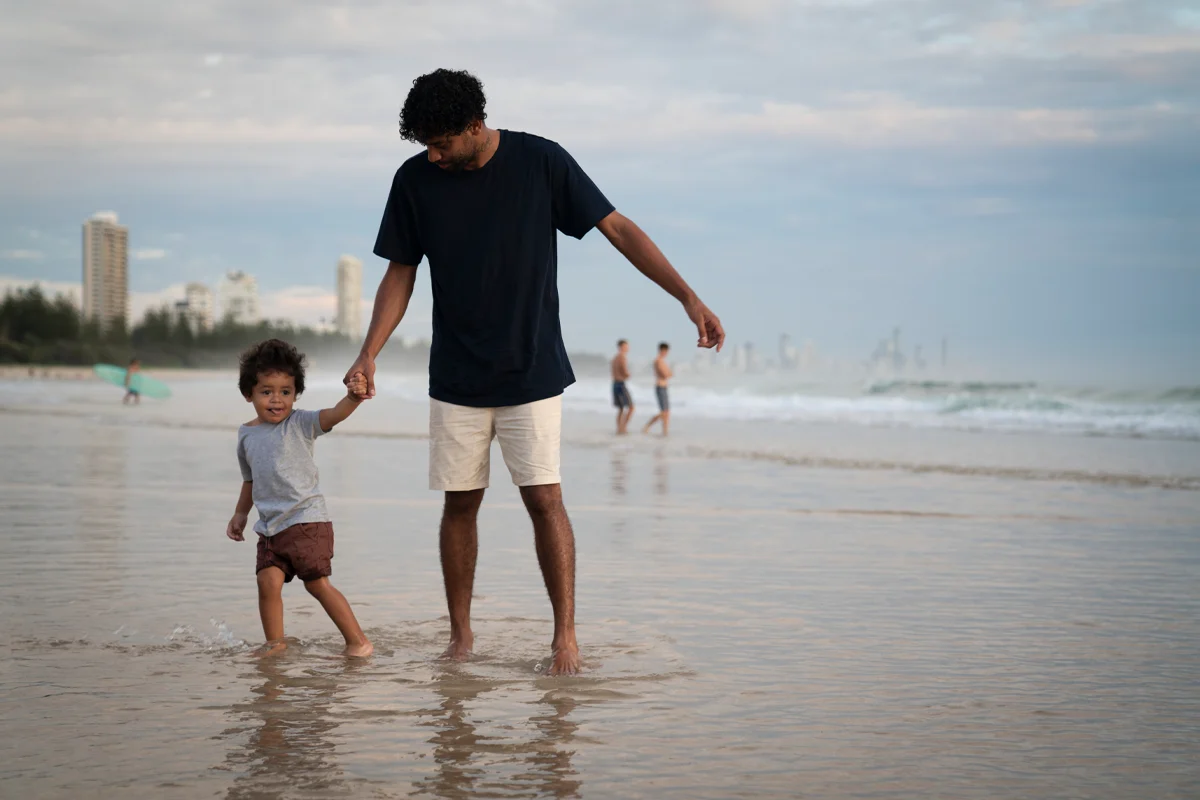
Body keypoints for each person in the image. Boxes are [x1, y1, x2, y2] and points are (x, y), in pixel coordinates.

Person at [345, 68, 724, 675]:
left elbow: (618, 229)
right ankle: (461, 638)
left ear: (475, 126)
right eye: (425, 145)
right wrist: (369, 353)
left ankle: (565, 639)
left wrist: (688, 297)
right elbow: (401, 272)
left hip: (532, 369)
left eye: (441, 143)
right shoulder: (415, 179)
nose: (433, 156)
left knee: (545, 499)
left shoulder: (541, 162)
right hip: (456, 375)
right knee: (459, 504)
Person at [227, 339, 373, 658]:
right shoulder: (246, 434)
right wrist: (240, 514)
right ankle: (275, 644)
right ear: (248, 394)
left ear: (295, 394)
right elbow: (251, 479)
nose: (277, 400)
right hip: (269, 528)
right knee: (267, 583)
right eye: (267, 391)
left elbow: (335, 415)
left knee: (317, 584)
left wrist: (352, 397)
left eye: (285, 392)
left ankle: (357, 641)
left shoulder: (301, 423)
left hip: (306, 521)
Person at [642, 342, 673, 436]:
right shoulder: (658, 361)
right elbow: (666, 374)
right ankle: (647, 425)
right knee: (663, 412)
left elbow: (669, 374)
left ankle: (665, 431)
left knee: (666, 412)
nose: (666, 353)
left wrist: (668, 373)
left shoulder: (662, 361)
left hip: (663, 387)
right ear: (662, 350)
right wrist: (668, 373)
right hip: (660, 387)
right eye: (665, 351)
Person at [611, 339, 635, 435]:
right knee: (631, 407)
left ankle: (619, 429)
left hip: (615, 384)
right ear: (621, 347)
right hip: (621, 384)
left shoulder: (615, 358)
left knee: (621, 409)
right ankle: (623, 428)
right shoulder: (622, 358)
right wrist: (628, 375)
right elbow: (624, 371)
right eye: (626, 346)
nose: (627, 348)